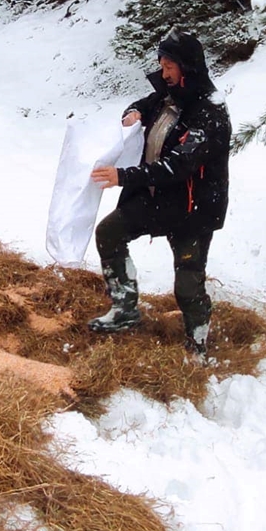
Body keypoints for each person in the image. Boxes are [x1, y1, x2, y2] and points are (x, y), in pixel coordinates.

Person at [89, 26, 231, 356]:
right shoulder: (170, 96)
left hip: (193, 211)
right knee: (109, 233)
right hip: (158, 200)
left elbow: (178, 166)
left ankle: (197, 344)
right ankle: (124, 309)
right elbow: (143, 102)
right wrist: (133, 112)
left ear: (187, 67)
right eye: (162, 65)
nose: (163, 73)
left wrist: (122, 176)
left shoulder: (211, 114)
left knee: (187, 284)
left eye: (169, 67)